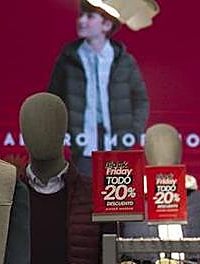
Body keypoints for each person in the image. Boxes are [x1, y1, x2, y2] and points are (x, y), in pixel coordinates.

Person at [49, 1, 149, 176]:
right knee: (85, 197)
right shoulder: (68, 58)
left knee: (118, 200)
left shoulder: (124, 60)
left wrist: (131, 132)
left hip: (117, 147)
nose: (82, 21)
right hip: (82, 147)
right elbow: (53, 99)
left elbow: (140, 100)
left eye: (90, 16)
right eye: (81, 15)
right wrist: (66, 134)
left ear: (107, 25)